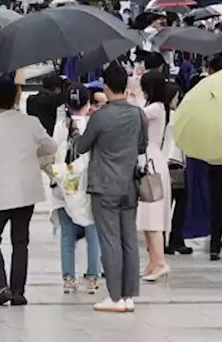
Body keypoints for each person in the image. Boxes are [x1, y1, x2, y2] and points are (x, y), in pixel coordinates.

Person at [0, 77, 57, 306]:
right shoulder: (32, 123)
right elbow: (51, 147)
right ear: (16, 97)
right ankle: (18, 291)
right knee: (20, 242)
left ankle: (1, 286)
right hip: (26, 192)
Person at [73, 61, 148, 314]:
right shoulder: (138, 113)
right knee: (129, 240)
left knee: (110, 240)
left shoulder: (101, 116)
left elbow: (81, 146)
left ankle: (115, 296)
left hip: (105, 185)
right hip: (130, 183)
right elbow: (142, 145)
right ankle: (128, 295)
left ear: (105, 86)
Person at [52, 84, 101, 294]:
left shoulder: (60, 125)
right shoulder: (93, 123)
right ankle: (92, 276)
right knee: (92, 231)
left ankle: (68, 278)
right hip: (88, 184)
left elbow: (53, 153)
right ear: (88, 103)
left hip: (64, 185)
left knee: (66, 234)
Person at [137, 72, 173, 282]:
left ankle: (160, 261)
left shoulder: (156, 108)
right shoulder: (157, 107)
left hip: (151, 164)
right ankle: (153, 261)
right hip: (150, 160)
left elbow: (135, 114)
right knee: (147, 216)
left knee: (152, 215)